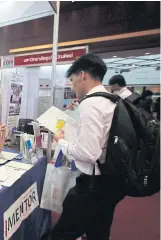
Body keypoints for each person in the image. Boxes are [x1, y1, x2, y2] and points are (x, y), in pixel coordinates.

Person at [50, 54, 126, 240]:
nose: (72, 84)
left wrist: (61, 142)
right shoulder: (111, 100)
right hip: (111, 181)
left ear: (82, 75)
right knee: (98, 231)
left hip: (92, 185)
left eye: (72, 79)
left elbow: (88, 153)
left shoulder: (91, 103)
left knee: (62, 234)